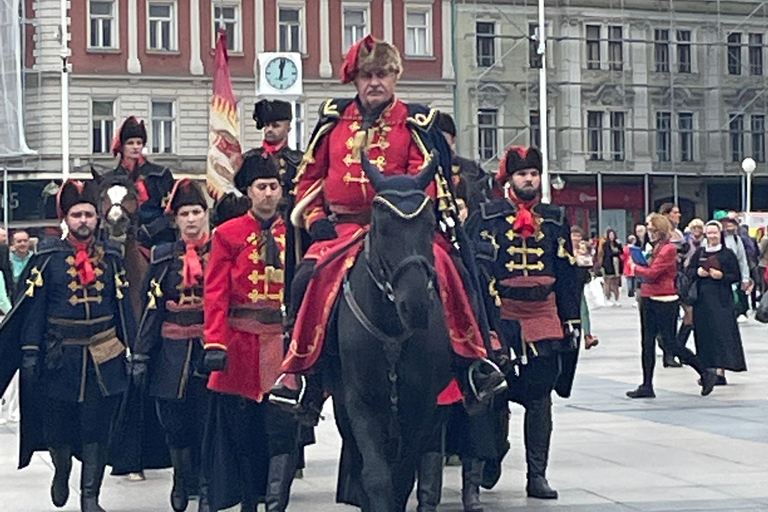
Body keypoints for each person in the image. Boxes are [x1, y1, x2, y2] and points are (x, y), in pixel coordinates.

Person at [269, 34, 504, 417]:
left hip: (403, 228)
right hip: (343, 229)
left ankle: (474, 361)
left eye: (382, 74)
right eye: (366, 75)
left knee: (453, 270)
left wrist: (402, 216)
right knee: (307, 277)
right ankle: (300, 373)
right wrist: (313, 220)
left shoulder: (414, 122)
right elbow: (309, 178)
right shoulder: (333, 121)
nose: (374, 82)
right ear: (355, 80)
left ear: (395, 76)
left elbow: (423, 179)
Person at [0, 180, 135, 512]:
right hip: (60, 357)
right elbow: (33, 308)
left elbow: (123, 306)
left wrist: (132, 348)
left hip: (104, 355)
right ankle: (62, 471)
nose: (84, 220)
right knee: (58, 428)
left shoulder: (113, 257)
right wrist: (30, 351)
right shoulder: (47, 257)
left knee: (97, 428)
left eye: (89, 213)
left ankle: (90, 496)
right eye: (77, 214)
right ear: (66, 218)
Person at [469, 145, 582, 500]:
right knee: (495, 396)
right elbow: (476, 269)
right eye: (522, 174)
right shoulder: (487, 217)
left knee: (540, 399)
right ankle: (494, 454)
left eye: (534, 174)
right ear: (510, 178)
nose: (529, 180)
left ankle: (537, 475)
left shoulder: (555, 218)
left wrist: (572, 321)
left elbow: (566, 272)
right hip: (503, 315)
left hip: (544, 316)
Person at [201, 154, 302, 512]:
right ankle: (246, 499)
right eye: (262, 187)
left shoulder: (295, 233)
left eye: (274, 187)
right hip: (240, 340)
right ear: (248, 192)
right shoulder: (227, 234)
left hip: (282, 341)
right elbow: (215, 292)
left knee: (281, 429)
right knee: (243, 432)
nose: (269, 194)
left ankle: (274, 501)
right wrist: (215, 340)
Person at [130, 179, 211, 512]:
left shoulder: (222, 253)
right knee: (174, 425)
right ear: (175, 220)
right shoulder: (163, 257)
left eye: (196, 212)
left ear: (206, 215)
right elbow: (151, 307)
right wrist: (140, 353)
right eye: (184, 214)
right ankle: (180, 477)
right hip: (171, 354)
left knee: (207, 422)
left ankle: (206, 486)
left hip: (210, 350)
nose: (191, 220)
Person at [626, 214, 718, 399]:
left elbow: (653, 273)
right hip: (648, 296)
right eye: (648, 230)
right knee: (647, 342)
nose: (649, 233)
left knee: (670, 343)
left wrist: (635, 268)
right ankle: (646, 384)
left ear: (660, 230)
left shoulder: (668, 249)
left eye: (652, 230)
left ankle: (705, 371)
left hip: (665, 299)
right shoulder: (655, 247)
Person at [687, 220, 747, 385]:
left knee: (721, 334)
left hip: (721, 300)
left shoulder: (727, 254)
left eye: (715, 233)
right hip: (702, 301)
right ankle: (707, 371)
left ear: (720, 234)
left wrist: (721, 276)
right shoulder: (700, 253)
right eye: (710, 232)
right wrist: (698, 272)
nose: (712, 236)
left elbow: (736, 275)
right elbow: (688, 271)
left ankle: (721, 371)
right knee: (704, 335)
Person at [109, 116, 176, 251]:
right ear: (122, 147)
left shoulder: (161, 174)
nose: (135, 147)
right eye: (130, 143)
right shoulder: (111, 179)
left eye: (139, 143)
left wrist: (151, 229)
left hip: (158, 236)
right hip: (123, 237)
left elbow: (170, 210)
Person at [436, 112, 492, 214]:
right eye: (434, 138)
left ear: (453, 140)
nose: (438, 143)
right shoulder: (420, 168)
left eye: (443, 139)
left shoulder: (472, 169)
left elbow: (485, 203)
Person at [714, 212, 752, 321]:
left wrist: (745, 278)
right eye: (723, 221)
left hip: (731, 277)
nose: (726, 224)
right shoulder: (708, 239)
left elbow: (742, 260)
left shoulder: (735, 239)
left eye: (728, 221)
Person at [572, 226, 599, 348]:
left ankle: (587, 335)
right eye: (574, 235)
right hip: (567, 285)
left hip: (579, 283)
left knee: (584, 309)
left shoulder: (583, 249)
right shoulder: (564, 249)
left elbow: (589, 263)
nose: (576, 238)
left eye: (578, 236)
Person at [596, 228, 623, 306]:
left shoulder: (616, 243)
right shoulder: (605, 244)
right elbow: (608, 254)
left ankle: (617, 299)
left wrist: (619, 245)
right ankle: (608, 298)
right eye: (610, 235)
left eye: (613, 235)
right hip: (609, 264)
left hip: (617, 265)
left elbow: (621, 252)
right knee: (608, 282)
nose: (612, 236)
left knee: (616, 283)